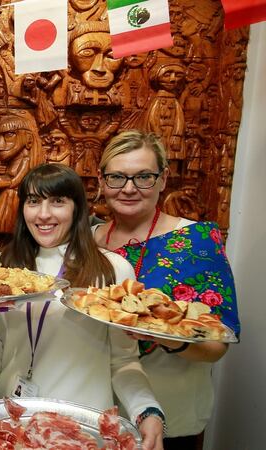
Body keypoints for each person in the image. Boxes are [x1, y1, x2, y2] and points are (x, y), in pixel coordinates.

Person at [0, 164, 165, 450]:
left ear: (77, 208)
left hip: (82, 428)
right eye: (33, 201)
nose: (43, 214)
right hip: (12, 421)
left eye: (57, 201)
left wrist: (147, 410)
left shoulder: (113, 271)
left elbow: (123, 360)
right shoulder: (4, 265)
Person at [93, 131, 240, 449]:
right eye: (117, 177)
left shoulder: (195, 240)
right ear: (102, 181)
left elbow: (218, 344)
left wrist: (164, 334)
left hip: (168, 418)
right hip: (94, 412)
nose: (129, 188)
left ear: (162, 179)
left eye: (143, 176)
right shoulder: (87, 240)